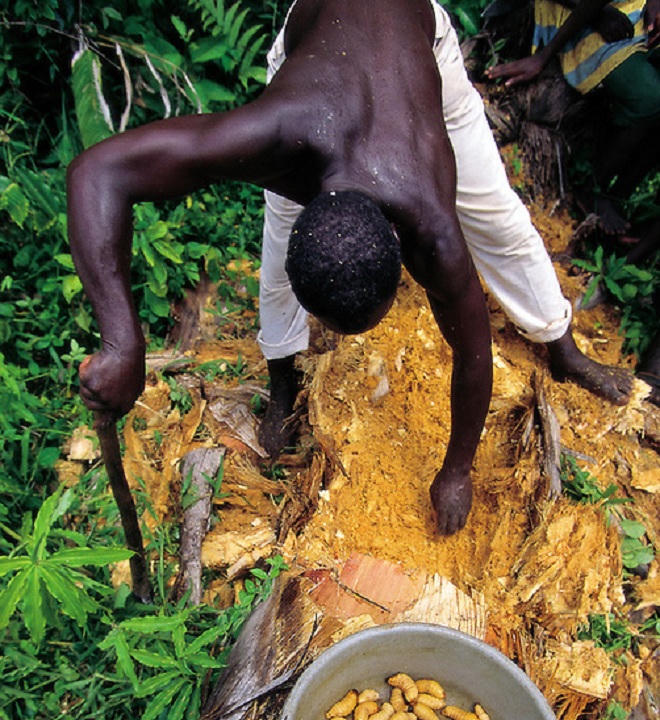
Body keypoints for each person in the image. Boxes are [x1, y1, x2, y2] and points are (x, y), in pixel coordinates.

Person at [67, 0, 631, 537]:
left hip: (421, 42)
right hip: (315, 49)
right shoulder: (273, 135)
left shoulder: (431, 221)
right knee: (274, 253)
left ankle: (560, 341)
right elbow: (98, 173)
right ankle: (282, 378)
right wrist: (123, 344)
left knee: (501, 220)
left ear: (401, 243)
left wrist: (458, 469)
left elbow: (473, 350)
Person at [487, 0, 660, 234]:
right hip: (569, 10)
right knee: (649, 99)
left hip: (623, 7)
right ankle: (592, 187)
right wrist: (544, 56)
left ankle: (616, 198)